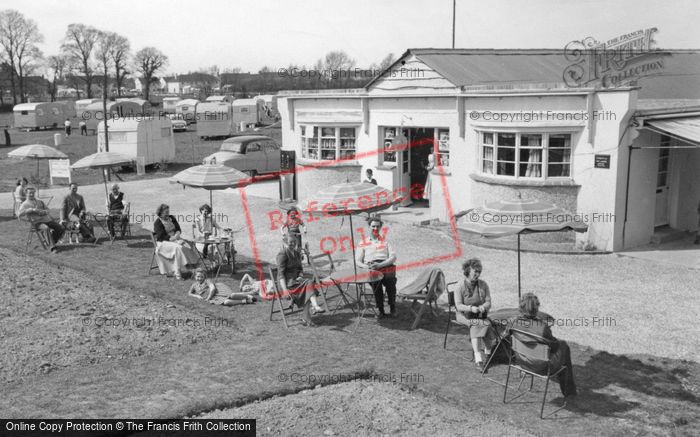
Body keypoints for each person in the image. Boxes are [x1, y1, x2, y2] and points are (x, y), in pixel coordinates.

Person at [506, 293, 577, 397]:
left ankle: (569, 389)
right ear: (537, 308)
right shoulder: (542, 328)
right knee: (563, 347)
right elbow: (554, 347)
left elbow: (507, 337)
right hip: (541, 367)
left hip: (521, 361)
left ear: (521, 307)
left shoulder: (513, 323)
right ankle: (569, 392)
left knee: (559, 347)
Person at [276, 233, 325, 326]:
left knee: (308, 285)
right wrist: (285, 290)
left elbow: (300, 269)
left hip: (296, 282)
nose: (293, 244)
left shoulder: (297, 254)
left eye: (294, 242)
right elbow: (280, 274)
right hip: (286, 284)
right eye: (290, 242)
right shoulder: (282, 254)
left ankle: (307, 317)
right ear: (285, 242)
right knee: (309, 284)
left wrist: (300, 276)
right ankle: (314, 307)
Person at [454, 258, 494, 370]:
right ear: (467, 271)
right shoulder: (459, 286)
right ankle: (478, 359)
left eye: (479, 272)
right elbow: (458, 306)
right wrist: (471, 308)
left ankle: (488, 353)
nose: (477, 274)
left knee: (487, 324)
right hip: (463, 315)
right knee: (476, 324)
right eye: (475, 271)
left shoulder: (483, 285)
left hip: (479, 314)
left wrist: (483, 307)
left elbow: (488, 302)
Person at [355, 217, 398, 319]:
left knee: (391, 281)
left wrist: (381, 265)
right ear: (369, 227)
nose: (375, 228)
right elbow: (357, 261)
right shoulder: (362, 242)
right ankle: (380, 310)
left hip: (385, 265)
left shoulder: (385, 241)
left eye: (377, 226)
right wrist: (368, 267)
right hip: (371, 267)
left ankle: (392, 307)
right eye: (373, 226)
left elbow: (393, 257)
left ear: (380, 227)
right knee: (376, 283)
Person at [153, 203, 200, 280]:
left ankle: (193, 266)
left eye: (168, 211)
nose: (168, 213)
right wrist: (173, 238)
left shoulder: (171, 218)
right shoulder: (158, 222)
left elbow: (178, 228)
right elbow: (161, 236)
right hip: (163, 242)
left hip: (175, 238)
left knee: (187, 245)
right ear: (160, 212)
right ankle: (178, 273)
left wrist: (177, 234)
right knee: (178, 248)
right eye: (166, 212)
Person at [18, 186, 64, 252]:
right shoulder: (24, 204)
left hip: (46, 220)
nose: (31, 194)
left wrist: (44, 212)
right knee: (46, 228)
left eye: (33, 193)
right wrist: (30, 210)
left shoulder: (40, 201)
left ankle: (52, 241)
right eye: (30, 193)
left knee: (60, 228)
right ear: (26, 193)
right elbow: (19, 214)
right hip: (37, 223)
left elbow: (47, 210)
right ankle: (52, 247)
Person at [188, 268, 256, 305]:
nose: (199, 278)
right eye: (198, 276)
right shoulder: (194, 285)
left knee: (232, 295)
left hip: (217, 291)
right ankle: (245, 301)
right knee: (227, 302)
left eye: (201, 277)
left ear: (204, 277)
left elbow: (213, 288)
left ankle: (249, 296)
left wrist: (208, 298)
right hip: (214, 297)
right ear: (195, 276)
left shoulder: (207, 280)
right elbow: (189, 293)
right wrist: (197, 296)